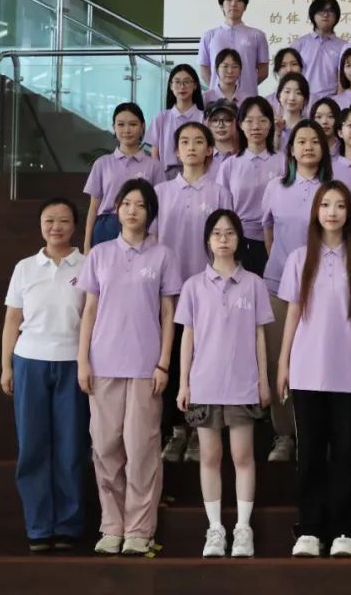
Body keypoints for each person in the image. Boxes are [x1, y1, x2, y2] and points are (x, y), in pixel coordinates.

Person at [76, 178, 182, 556]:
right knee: (105, 447)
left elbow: (168, 314)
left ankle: (139, 529)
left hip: (145, 366)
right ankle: (111, 526)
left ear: (150, 212)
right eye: (126, 204)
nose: (132, 210)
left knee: (142, 449)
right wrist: (83, 360)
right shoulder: (100, 254)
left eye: (140, 204)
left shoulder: (163, 255)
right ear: (117, 209)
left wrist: (164, 363)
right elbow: (89, 311)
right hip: (103, 364)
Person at [277, 182, 351, 558]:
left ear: (349, 213)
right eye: (325, 205)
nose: (332, 212)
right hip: (307, 369)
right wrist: (283, 362)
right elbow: (293, 312)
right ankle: (309, 529)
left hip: (348, 370)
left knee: (345, 455)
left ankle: (344, 531)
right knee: (310, 454)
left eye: (339, 205)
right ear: (316, 211)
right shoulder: (299, 258)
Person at [176, 209, 273, 558]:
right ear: (207, 240)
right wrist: (183, 383)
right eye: (217, 233)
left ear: (239, 239)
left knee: (243, 456)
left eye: (229, 233)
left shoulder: (254, 284)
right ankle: (215, 528)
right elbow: (187, 337)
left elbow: (260, 336)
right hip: (204, 383)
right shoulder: (193, 286)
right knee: (210, 456)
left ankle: (243, 528)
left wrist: (263, 381)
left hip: (243, 383)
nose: (223, 239)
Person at [1, 197, 88, 552]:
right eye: (49, 220)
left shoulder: (87, 265)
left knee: (71, 446)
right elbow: (12, 319)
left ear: (75, 225)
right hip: (30, 361)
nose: (56, 227)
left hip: (72, 362)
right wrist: (6, 366)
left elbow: (94, 317)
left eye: (64, 220)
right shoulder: (25, 267)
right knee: (33, 446)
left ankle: (67, 525)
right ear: (40, 225)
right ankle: (38, 527)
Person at [153, 121, 234, 465]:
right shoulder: (160, 192)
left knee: (203, 359)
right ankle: (176, 431)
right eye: (184, 142)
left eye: (198, 141)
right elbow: (152, 240)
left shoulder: (220, 193)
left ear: (209, 149)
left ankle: (200, 428)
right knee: (171, 357)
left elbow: (227, 242)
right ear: (175, 150)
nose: (191, 147)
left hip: (206, 290)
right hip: (168, 291)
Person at [260, 120, 334, 461]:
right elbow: (268, 232)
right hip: (278, 286)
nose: (307, 147)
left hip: (325, 289)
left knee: (320, 361)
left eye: (314, 141)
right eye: (301, 141)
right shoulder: (275, 187)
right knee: (281, 359)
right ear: (290, 149)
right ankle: (284, 435)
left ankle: (316, 434)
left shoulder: (331, 189)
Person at [83, 102, 165, 252]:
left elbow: (159, 207)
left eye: (133, 124)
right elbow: (93, 207)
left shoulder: (154, 166)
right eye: (121, 124)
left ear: (142, 126)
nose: (127, 130)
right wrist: (87, 243)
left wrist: (155, 235)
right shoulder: (102, 163)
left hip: (141, 227)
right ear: (114, 127)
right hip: (106, 228)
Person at [216, 96, 283, 277]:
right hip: (240, 240)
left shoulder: (283, 162)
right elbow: (223, 210)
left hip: (277, 239)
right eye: (249, 121)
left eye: (262, 120)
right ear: (240, 124)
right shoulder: (229, 165)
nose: (256, 126)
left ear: (271, 124)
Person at [197, 0, 269, 95]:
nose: (234, 4)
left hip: (248, 98)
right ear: (221, 6)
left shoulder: (257, 35)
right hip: (217, 99)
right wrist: (220, 88)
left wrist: (247, 86)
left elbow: (263, 71)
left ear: (245, 7)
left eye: (239, 0)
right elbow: (204, 69)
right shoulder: (209, 36)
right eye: (229, 0)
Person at [146, 65, 206, 178]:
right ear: (171, 86)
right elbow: (155, 154)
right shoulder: (161, 117)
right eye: (177, 82)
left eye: (186, 82)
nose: (182, 86)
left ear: (195, 85)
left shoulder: (204, 117)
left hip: (197, 173)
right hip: (166, 175)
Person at [289, 0, 346, 101]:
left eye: (330, 11)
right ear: (313, 14)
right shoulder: (299, 44)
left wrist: (339, 100)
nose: (325, 15)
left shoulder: (344, 46)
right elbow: (290, 75)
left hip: (332, 101)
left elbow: (344, 78)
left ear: (337, 16)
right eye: (321, 11)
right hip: (304, 100)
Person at [274, 72, 311, 153]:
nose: (292, 98)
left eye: (298, 93)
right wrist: (277, 133)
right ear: (279, 95)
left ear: (305, 100)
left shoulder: (310, 127)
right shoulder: (272, 126)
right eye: (287, 91)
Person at [204, 99, 240, 180]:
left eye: (227, 120)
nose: (220, 125)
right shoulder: (201, 156)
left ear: (238, 123)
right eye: (215, 120)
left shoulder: (245, 155)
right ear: (208, 124)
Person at [266, 48, 305, 116]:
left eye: (294, 64)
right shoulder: (267, 102)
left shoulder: (314, 100)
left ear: (301, 68)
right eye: (283, 65)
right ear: (277, 70)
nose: (289, 69)